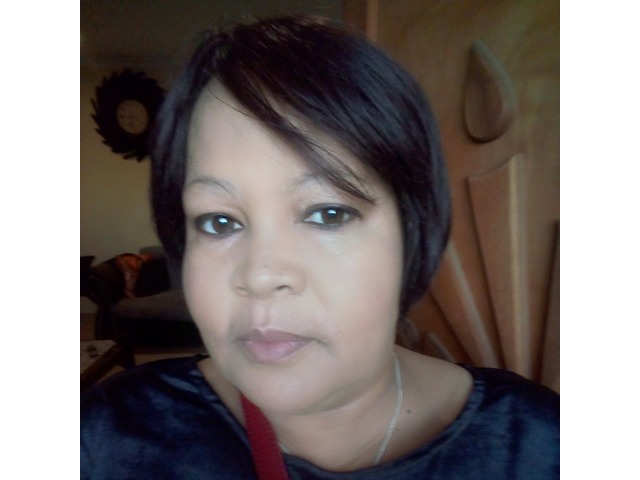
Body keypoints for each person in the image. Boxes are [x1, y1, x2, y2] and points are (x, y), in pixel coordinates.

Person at [81, 15, 559, 479]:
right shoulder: (103, 439)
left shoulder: (544, 445)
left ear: (413, 232)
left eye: (328, 213)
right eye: (219, 221)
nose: (260, 274)